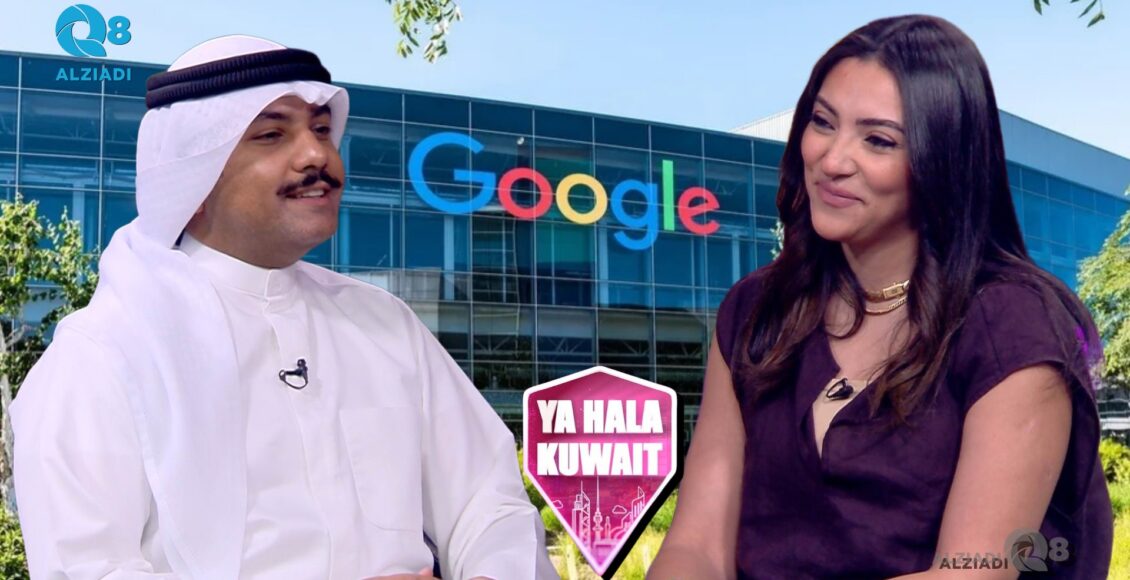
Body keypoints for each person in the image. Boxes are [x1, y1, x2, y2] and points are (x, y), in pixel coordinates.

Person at [12, 35, 556, 580]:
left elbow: (489, 503)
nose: (318, 154)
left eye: (321, 129)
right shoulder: (101, 355)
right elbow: (86, 568)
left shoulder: (384, 324)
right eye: (272, 135)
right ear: (192, 178)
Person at [648, 14, 1113, 579]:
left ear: (941, 162)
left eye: (878, 140)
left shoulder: (1014, 326)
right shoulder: (755, 310)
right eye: (823, 122)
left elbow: (972, 571)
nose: (832, 160)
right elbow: (697, 546)